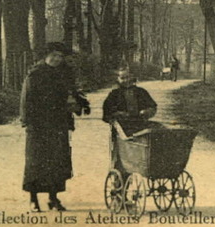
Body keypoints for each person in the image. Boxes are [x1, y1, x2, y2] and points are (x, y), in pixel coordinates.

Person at [20, 42, 89, 212]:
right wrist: (28, 121)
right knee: (36, 162)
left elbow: (73, 95)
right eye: (54, 56)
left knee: (58, 161)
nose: (57, 59)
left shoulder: (64, 75)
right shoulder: (35, 75)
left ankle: (53, 198)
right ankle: (33, 200)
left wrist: (78, 105)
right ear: (46, 56)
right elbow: (26, 99)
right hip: (38, 125)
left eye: (60, 56)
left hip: (58, 123)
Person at [102, 69, 159, 172]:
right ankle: (119, 181)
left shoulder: (141, 92)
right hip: (122, 127)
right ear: (118, 79)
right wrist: (117, 114)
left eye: (127, 77)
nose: (125, 80)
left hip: (140, 125)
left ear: (132, 78)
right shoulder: (114, 94)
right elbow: (107, 112)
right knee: (121, 155)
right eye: (122, 78)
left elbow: (152, 106)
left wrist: (147, 111)